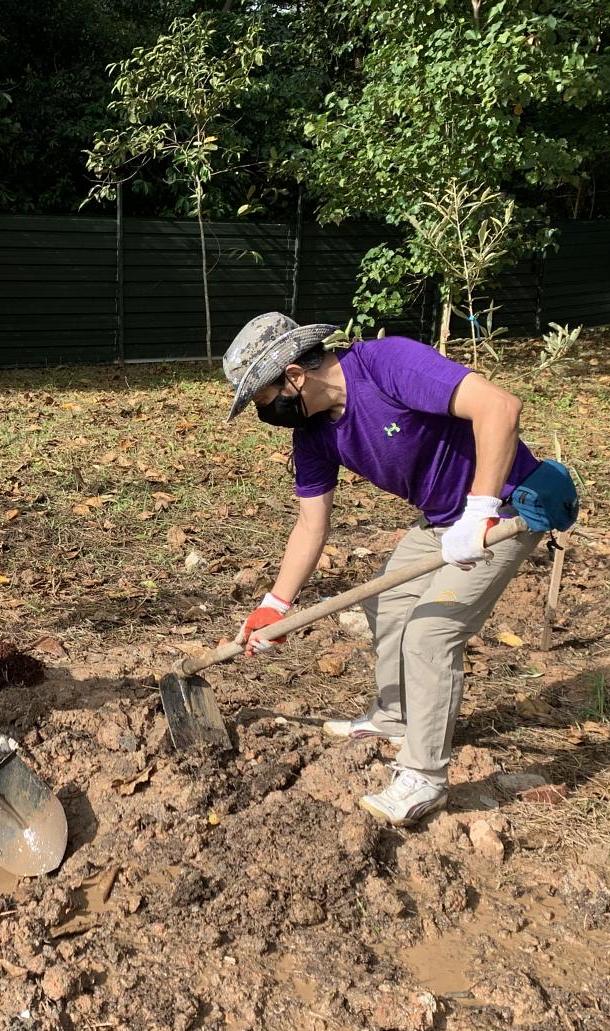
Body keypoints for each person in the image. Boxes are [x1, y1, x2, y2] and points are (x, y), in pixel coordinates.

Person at [225, 313, 576, 827]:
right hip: (440, 521)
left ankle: (425, 776)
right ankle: (395, 718)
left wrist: (479, 511)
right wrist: (273, 606)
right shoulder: (315, 434)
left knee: (431, 633)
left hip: (504, 508)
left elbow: (500, 406)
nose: (268, 413)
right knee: (387, 604)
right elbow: (309, 525)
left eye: (265, 399)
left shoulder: (387, 365)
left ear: (295, 376)